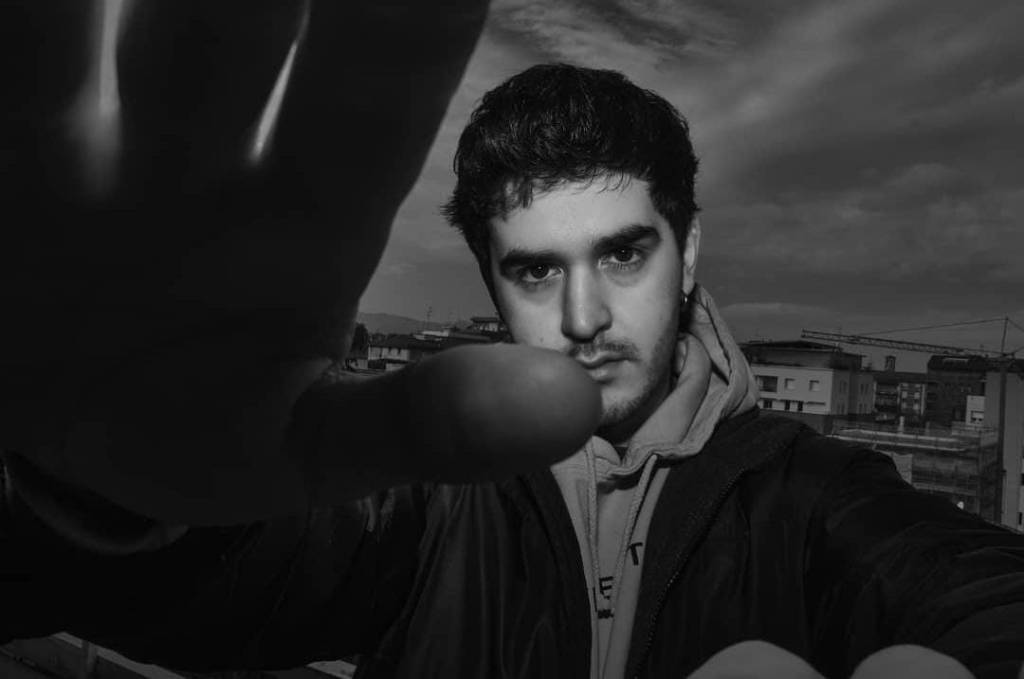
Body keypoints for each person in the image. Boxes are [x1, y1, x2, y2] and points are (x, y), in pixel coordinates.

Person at [3, 9, 1023, 679]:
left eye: (622, 254)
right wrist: (97, 500)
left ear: (689, 252)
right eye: (535, 270)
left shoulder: (813, 496)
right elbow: (216, 582)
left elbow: (968, 585)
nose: (582, 316)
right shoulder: (428, 498)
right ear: (490, 282)